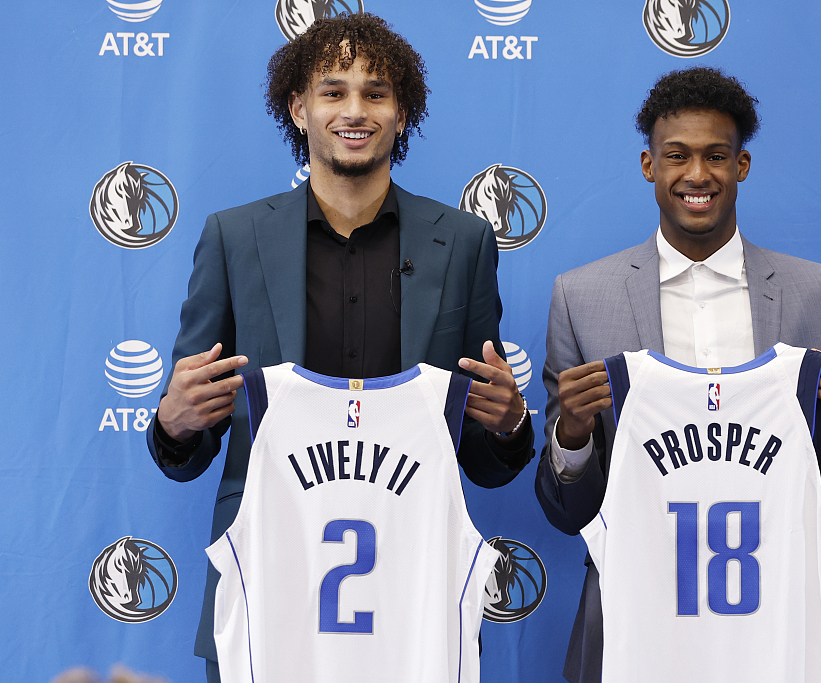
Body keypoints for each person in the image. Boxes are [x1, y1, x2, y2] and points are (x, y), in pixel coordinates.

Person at [146, 14, 533, 682]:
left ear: (402, 111)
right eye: (333, 91)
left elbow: (477, 459)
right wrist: (173, 423)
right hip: (267, 584)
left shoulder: (465, 242)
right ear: (299, 108)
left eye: (376, 92)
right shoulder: (233, 239)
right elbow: (189, 449)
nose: (355, 110)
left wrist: (509, 427)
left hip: (413, 596)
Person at [534, 67, 821, 683]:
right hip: (632, 628)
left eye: (715, 156)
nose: (696, 175)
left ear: (741, 166)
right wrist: (571, 439)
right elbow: (567, 512)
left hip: (780, 627)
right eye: (677, 156)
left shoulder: (819, 296)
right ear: (649, 165)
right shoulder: (581, 297)